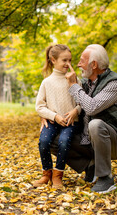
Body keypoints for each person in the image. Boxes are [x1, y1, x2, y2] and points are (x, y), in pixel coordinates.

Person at [63, 44, 117, 193]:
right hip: (88, 141)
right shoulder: (86, 82)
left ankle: (105, 178)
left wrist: (74, 86)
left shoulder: (115, 83)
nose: (78, 64)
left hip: (115, 141)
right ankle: (91, 165)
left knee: (95, 125)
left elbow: (92, 107)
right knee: (53, 138)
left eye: (82, 60)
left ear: (93, 64)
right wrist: (47, 116)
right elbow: (77, 104)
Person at [33, 44, 82, 189]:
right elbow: (39, 106)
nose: (68, 64)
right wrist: (54, 116)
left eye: (70, 60)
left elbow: (82, 102)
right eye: (64, 60)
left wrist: (75, 111)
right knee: (43, 141)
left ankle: (57, 175)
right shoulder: (47, 82)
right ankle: (46, 174)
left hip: (71, 121)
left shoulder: (75, 80)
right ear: (53, 60)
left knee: (64, 141)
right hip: (53, 121)